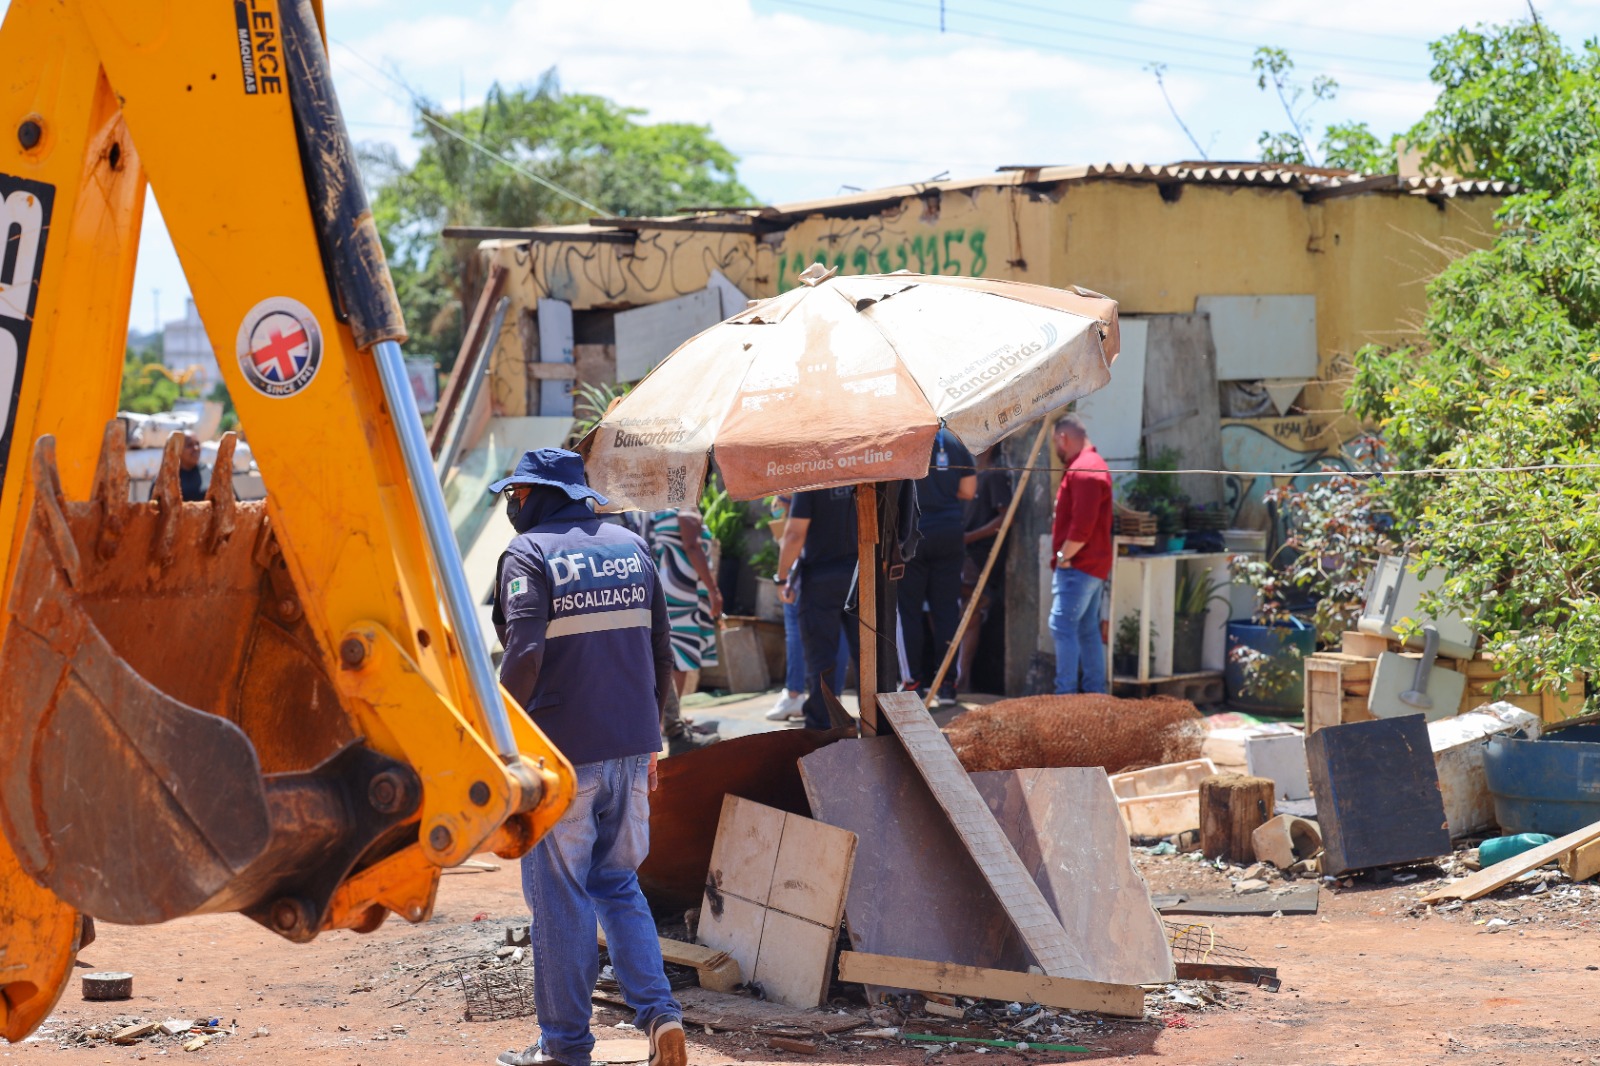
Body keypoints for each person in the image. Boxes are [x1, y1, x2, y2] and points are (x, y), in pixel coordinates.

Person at [488, 448, 686, 1066]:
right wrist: (654, 739)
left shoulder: (528, 554)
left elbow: (522, 654)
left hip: (562, 757)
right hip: (632, 747)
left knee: (561, 896)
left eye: (516, 493)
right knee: (618, 884)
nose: (512, 504)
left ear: (540, 494)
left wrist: (495, 738)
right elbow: (662, 652)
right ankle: (660, 1016)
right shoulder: (631, 545)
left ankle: (566, 1047)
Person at [897, 427, 975, 706]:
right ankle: (947, 685)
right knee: (947, 610)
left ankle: (913, 682)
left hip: (913, 533)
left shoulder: (905, 438)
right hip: (950, 532)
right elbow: (969, 490)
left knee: (908, 611)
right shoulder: (955, 441)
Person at [775, 484, 861, 730]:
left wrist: (782, 577)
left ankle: (822, 728)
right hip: (863, 573)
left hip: (821, 578)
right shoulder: (864, 470)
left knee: (820, 657)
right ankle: (876, 724)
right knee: (869, 655)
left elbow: (794, 534)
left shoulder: (812, 479)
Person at [1048, 415, 1113, 695]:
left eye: (1055, 444)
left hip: (1079, 565)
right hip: (1090, 565)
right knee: (1086, 629)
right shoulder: (1090, 465)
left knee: (1062, 625)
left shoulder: (1085, 469)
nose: (1056, 451)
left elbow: (1082, 528)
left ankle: (1066, 698)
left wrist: (1064, 556)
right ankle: (1094, 696)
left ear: (1063, 438)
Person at [958, 446, 1014, 692]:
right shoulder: (969, 473)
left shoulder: (995, 474)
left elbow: (1005, 517)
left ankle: (963, 679)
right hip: (962, 555)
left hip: (979, 558)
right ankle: (957, 677)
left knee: (971, 616)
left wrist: (971, 537)